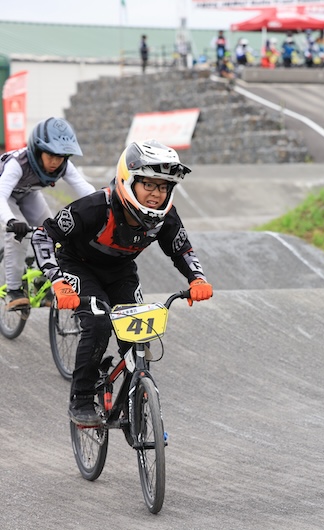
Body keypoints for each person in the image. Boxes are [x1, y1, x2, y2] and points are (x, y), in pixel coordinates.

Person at [31, 140, 213, 426]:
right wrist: (57, 282)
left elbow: (182, 250)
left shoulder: (166, 217)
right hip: (78, 266)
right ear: (129, 180)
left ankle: (134, 402)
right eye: (149, 185)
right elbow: (43, 236)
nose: (156, 194)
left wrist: (198, 279)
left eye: (163, 187)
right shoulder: (94, 207)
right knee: (99, 323)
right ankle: (80, 399)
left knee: (139, 337)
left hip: (120, 272)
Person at [0, 118, 94, 310]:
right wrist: (10, 220)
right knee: (18, 236)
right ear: (36, 150)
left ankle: (40, 281)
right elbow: (1, 194)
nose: (55, 162)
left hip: (28, 194)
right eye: (50, 155)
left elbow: (86, 191)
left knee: (51, 231)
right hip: (4, 195)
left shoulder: (64, 166)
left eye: (60, 156)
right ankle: (13, 290)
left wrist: (105, 209)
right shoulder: (18, 164)